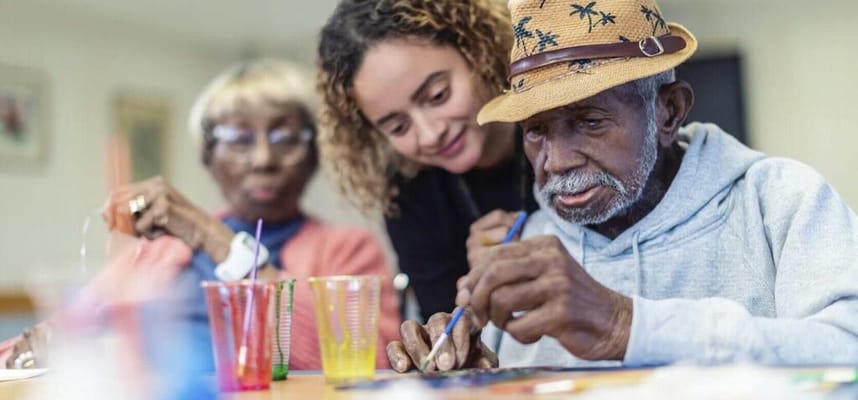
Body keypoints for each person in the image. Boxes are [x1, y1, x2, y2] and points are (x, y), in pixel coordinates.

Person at [385, 0, 858, 372]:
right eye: (536, 131)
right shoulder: (523, 245)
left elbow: (848, 346)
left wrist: (625, 325)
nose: (557, 161)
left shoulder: (780, 201)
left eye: (589, 121)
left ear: (668, 111)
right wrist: (470, 375)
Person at [2, 59, 401, 370]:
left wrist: (214, 239)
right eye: (239, 138)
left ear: (314, 155)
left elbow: (375, 361)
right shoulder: (157, 251)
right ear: (208, 156)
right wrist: (45, 345)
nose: (263, 159)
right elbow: (34, 344)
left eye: (284, 137)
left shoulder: (349, 250)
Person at [316, 0, 538, 321]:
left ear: (477, 51)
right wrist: (475, 292)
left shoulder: (564, 126)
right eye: (398, 127)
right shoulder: (406, 192)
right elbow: (444, 323)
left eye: (438, 95)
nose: (431, 135)